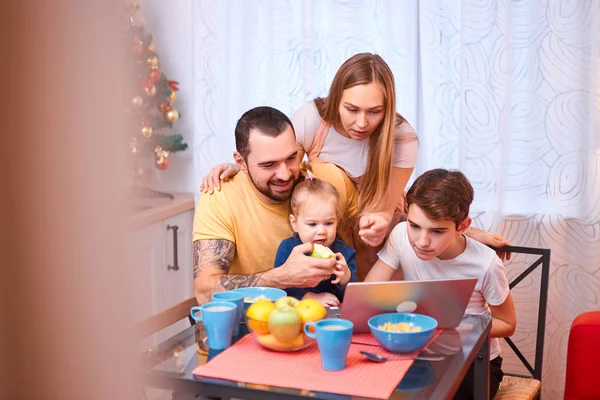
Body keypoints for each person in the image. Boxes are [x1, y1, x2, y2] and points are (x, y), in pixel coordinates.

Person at [199, 53, 511, 280]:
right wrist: (236, 168)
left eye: (374, 112)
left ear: (387, 110)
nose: (361, 123)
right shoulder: (312, 121)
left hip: (365, 234)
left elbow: (390, 210)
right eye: (351, 109)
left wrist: (458, 235)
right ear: (335, 100)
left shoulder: (401, 139)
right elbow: (277, 151)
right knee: (328, 174)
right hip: (330, 225)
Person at [364, 168, 516, 400]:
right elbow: (368, 294)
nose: (422, 241)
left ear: (462, 227)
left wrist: (450, 326)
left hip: (473, 362)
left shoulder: (486, 263)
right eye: (414, 226)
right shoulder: (400, 236)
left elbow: (507, 323)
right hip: (418, 355)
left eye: (437, 231)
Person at [192, 106, 339, 305]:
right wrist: (281, 277)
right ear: (241, 162)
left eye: (291, 158)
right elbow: (205, 292)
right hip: (251, 323)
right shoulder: (220, 196)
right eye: (269, 165)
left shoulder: (321, 185)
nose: (285, 174)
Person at [273, 174, 358, 306]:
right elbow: (280, 287)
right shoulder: (288, 248)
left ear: (337, 221)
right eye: (312, 224)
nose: (321, 231)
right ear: (294, 223)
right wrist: (308, 296)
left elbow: (352, 298)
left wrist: (346, 279)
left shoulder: (345, 253)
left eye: (329, 223)